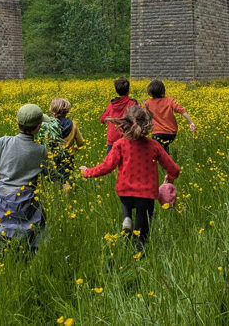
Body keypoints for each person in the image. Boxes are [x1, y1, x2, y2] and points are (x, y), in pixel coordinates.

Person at [81, 105, 180, 252]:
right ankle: (139, 257)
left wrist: (87, 172)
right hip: (146, 196)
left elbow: (106, 167)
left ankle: (127, 218)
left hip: (125, 193)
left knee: (126, 201)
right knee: (142, 234)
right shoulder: (154, 145)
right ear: (146, 123)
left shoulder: (120, 144)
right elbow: (174, 169)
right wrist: (169, 179)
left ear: (125, 123)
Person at [0, 104, 49, 254]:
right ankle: (30, 253)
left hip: (3, 198)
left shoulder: (4, 142)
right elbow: (49, 174)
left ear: (17, 123)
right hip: (28, 200)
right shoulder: (41, 150)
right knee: (39, 223)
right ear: (38, 128)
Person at [142, 79, 197, 154]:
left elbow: (141, 114)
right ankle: (167, 159)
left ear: (150, 91)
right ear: (163, 90)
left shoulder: (148, 103)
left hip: (157, 133)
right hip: (171, 134)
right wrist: (191, 122)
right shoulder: (169, 100)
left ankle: (164, 162)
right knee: (164, 148)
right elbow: (182, 110)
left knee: (158, 152)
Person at [45, 97, 84, 187]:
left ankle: (62, 192)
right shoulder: (73, 124)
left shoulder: (50, 126)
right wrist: (76, 148)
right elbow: (80, 142)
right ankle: (67, 194)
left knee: (56, 174)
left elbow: (46, 141)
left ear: (52, 111)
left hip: (54, 155)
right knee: (67, 176)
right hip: (69, 156)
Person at [100, 77, 139, 156]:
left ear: (116, 91)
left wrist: (110, 119)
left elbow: (102, 119)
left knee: (110, 165)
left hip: (112, 140)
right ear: (128, 91)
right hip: (127, 138)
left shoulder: (111, 104)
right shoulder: (133, 103)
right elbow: (142, 115)